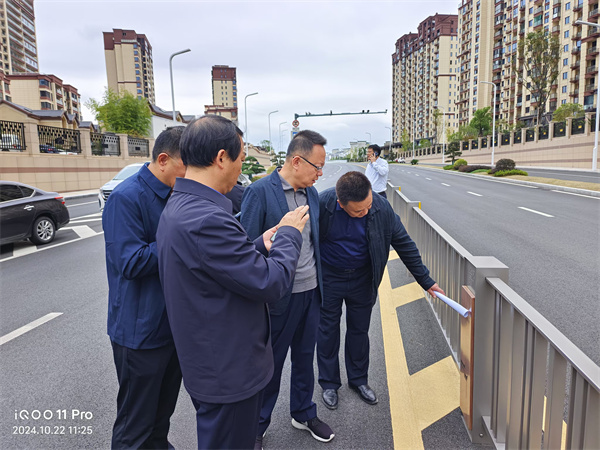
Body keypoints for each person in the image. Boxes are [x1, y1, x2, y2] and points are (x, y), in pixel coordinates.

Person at [156, 115, 309, 450]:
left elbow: (210, 268)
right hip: (229, 371)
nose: (241, 169)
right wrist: (288, 235)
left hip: (209, 364)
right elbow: (270, 283)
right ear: (221, 158)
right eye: (240, 160)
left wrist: (257, 245)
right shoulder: (207, 217)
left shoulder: (181, 206)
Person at [317, 171, 445, 409]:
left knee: (359, 331)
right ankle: (329, 384)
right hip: (329, 278)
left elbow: (404, 243)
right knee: (327, 332)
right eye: (358, 211)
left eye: (367, 205)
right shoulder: (322, 204)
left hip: (363, 279)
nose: (365, 212)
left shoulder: (380, 207)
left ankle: (358, 380)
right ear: (340, 203)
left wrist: (425, 281)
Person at [240, 130, 334, 447]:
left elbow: (315, 244)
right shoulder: (260, 193)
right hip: (278, 299)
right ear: (296, 160)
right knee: (271, 365)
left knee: (306, 358)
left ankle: (303, 412)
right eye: (317, 167)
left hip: (311, 294)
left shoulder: (312, 196)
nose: (320, 173)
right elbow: (246, 251)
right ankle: (257, 424)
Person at [102, 126, 186, 449]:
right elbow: (131, 262)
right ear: (163, 160)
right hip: (140, 335)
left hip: (172, 329)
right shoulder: (126, 198)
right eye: (186, 167)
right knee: (133, 428)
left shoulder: (177, 196)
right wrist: (179, 240)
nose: (191, 175)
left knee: (160, 419)